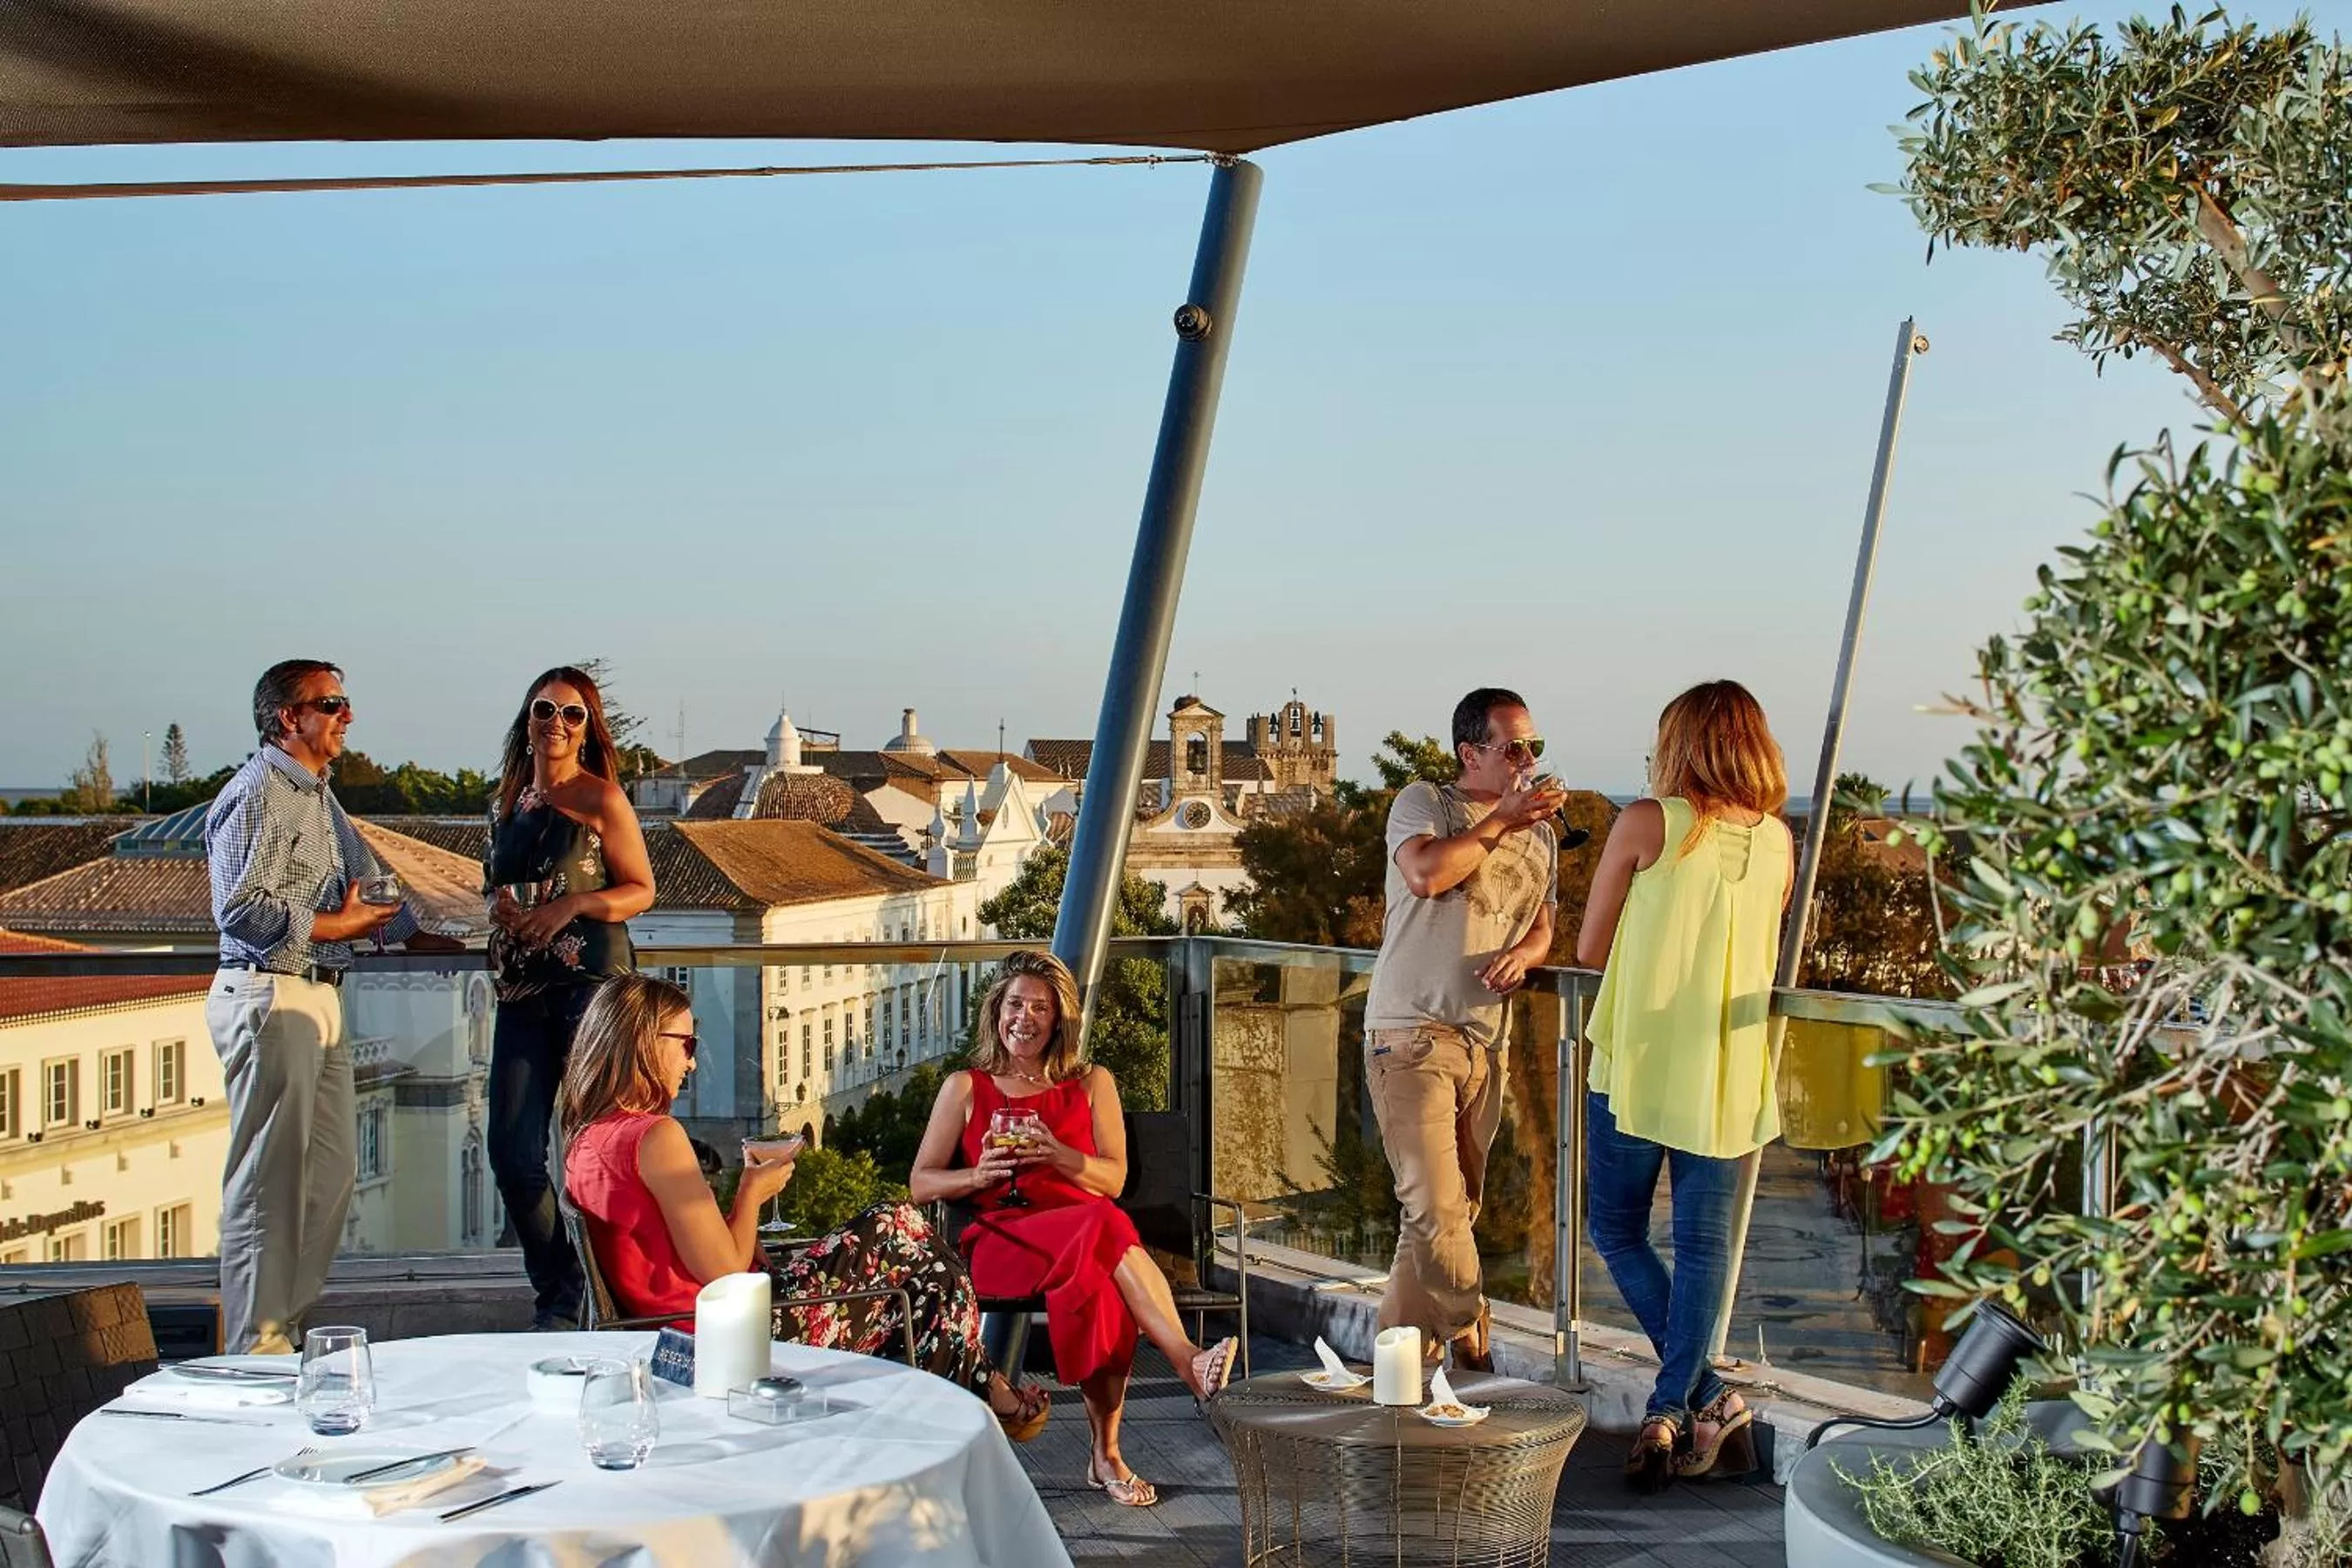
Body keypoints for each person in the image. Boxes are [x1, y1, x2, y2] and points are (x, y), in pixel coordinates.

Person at [558, 974, 1051, 1441]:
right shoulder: (655, 1137)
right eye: (687, 1044)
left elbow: (674, 1249)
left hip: (678, 1329)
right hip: (725, 1336)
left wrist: (741, 1222)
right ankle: (980, 1397)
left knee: (924, 1272)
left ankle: (980, 1396)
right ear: (645, 1042)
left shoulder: (585, 1138)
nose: (690, 1063)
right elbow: (721, 1271)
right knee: (901, 1234)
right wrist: (752, 1191)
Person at [909, 950, 1238, 1509]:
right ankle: (1183, 1365)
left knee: (1105, 1277)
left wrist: (1058, 1154)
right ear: (996, 1010)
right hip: (1004, 1239)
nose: (1025, 1017)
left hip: (1085, 1237)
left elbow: (1113, 1179)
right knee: (1105, 1225)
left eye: (1040, 1007)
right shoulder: (965, 1087)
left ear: (1059, 1018)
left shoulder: (1091, 1082)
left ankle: (1106, 1453)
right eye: (1015, 1004)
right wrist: (977, 1176)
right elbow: (921, 1183)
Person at [204, 659, 466, 1355]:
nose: (347, 715)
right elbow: (240, 910)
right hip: (269, 993)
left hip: (317, 994)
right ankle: (255, 1349)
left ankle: (280, 1331)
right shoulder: (259, 792)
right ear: (288, 718)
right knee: (269, 1182)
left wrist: (413, 934)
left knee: (330, 1175)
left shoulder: (316, 795)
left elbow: (366, 875)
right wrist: (338, 927)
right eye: (331, 703)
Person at [1576, 679, 1793, 1491]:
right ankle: (1683, 1404)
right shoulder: (1779, 840)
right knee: (1703, 1249)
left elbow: (1590, 949)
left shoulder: (1648, 821)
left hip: (1639, 1060)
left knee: (1617, 1230)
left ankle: (1690, 1399)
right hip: (1727, 1065)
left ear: (1680, 744)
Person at [1362, 687, 1564, 1373]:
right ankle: (1470, 1317)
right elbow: (1425, 875)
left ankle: (1400, 1375)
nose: (1528, 760)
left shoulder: (1542, 835)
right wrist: (1501, 820)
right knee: (1434, 1211)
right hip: (1410, 1034)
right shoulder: (1427, 803)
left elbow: (1544, 925)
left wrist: (1526, 956)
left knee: (1444, 1217)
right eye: (1514, 748)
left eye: (1534, 746)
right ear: (1470, 753)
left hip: (1484, 1042)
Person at [484, 666, 656, 1331]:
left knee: (600, 1153)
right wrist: (503, 910)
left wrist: (572, 906)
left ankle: (626, 1298)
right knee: (512, 1152)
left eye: (573, 714)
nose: (557, 722)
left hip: (590, 987)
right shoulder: (506, 803)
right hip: (522, 989)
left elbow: (641, 890)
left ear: (588, 730)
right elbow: (501, 884)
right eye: (545, 709)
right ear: (527, 720)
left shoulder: (602, 798)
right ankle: (562, 1289)